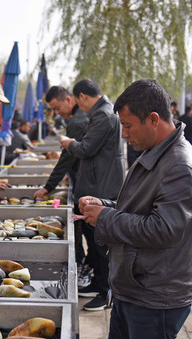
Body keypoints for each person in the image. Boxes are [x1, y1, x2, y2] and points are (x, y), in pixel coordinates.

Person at [81, 78, 192, 339]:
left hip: (156, 293)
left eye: (128, 126)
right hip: (133, 285)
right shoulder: (154, 152)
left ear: (154, 119)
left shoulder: (180, 164)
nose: (124, 134)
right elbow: (137, 208)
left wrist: (106, 218)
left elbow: (164, 229)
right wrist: (104, 205)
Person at [60, 79, 125, 311]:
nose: (80, 106)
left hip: (102, 187)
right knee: (93, 242)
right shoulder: (102, 113)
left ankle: (107, 292)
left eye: (78, 101)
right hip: (97, 183)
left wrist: (69, 144)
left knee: (101, 244)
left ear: (83, 96)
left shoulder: (104, 116)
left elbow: (86, 148)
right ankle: (98, 284)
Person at [34, 86, 90, 277]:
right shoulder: (79, 117)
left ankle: (88, 272)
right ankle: (89, 269)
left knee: (89, 231)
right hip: (84, 177)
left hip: (88, 181)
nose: (57, 113)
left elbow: (67, 158)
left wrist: (48, 187)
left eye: (57, 108)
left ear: (69, 99)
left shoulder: (77, 121)